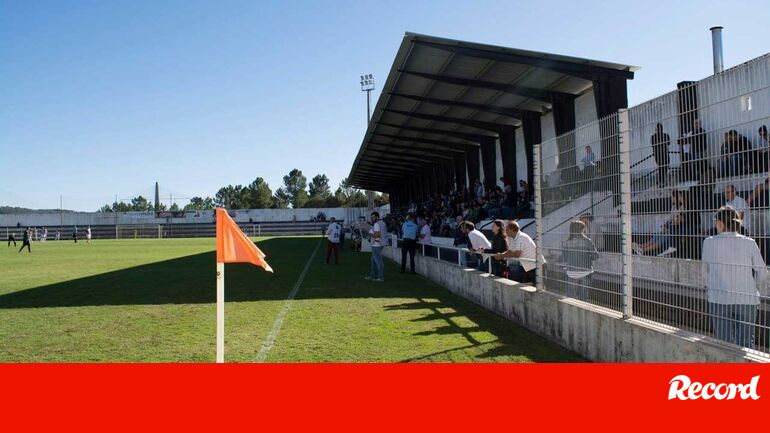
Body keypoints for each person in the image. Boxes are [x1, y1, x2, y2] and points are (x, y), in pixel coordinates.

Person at [702, 206, 767, 348]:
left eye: (715, 221)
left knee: (724, 344)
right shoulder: (749, 242)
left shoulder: (709, 242)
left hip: (719, 298)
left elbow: (705, 272)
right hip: (747, 298)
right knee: (745, 344)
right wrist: (751, 286)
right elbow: (762, 272)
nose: (714, 224)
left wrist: (710, 287)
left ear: (720, 223)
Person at [561, 220, 599, 301]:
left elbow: (564, 258)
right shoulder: (588, 241)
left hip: (571, 272)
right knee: (583, 296)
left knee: (570, 297)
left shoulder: (566, 242)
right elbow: (595, 257)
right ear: (583, 229)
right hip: (585, 271)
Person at [365, 212, 386, 282]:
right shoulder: (382, 223)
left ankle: (380, 277)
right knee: (373, 260)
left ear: (377, 217)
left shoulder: (377, 224)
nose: (372, 218)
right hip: (380, 243)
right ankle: (373, 276)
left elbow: (377, 235)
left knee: (378, 261)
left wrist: (370, 234)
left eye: (373, 217)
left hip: (376, 244)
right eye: (371, 217)